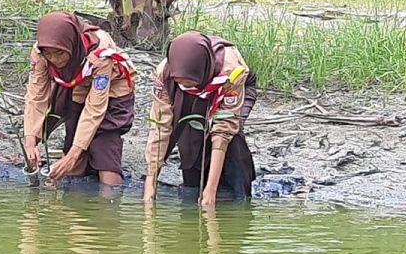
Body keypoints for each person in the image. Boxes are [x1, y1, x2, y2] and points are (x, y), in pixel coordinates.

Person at [143, 31, 257, 206]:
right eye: (180, 81)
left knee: (232, 137)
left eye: (188, 82)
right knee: (189, 139)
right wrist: (150, 186)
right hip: (187, 96)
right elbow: (160, 127)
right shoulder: (165, 73)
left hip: (225, 91)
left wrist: (210, 191)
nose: (184, 84)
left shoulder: (230, 69)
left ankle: (237, 193)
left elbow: (223, 129)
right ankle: (195, 186)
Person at [23, 11, 136, 186]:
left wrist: (72, 155)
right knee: (73, 162)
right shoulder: (40, 51)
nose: (54, 59)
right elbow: (36, 96)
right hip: (78, 86)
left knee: (104, 147)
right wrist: (30, 142)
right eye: (49, 54)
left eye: (59, 53)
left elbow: (95, 108)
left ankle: (109, 200)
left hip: (113, 88)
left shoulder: (100, 53)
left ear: (72, 45)